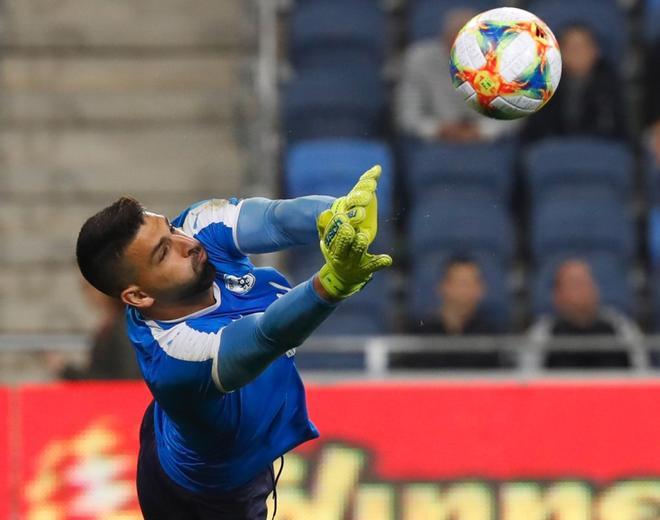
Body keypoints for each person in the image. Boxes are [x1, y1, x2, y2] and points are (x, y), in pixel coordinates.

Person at [75, 167, 391, 519]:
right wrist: (333, 283)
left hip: (182, 435)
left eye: (170, 228)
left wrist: (336, 215)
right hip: (207, 499)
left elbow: (276, 221)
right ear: (138, 295)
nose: (188, 244)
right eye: (163, 253)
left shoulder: (197, 228)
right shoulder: (177, 360)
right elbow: (266, 335)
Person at [396, 8, 510, 143]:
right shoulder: (418, 59)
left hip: (484, 140)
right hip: (434, 141)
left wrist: (481, 130)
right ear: (445, 39)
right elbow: (407, 115)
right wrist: (437, 129)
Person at [391, 256, 509, 370]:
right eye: (462, 283)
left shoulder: (492, 337)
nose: (466, 291)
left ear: (481, 289)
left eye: (472, 283)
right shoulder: (419, 333)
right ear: (444, 286)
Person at [527, 259, 643, 369]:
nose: (583, 290)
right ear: (557, 295)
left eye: (587, 282)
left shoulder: (621, 328)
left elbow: (643, 377)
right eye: (574, 284)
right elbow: (527, 382)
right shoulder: (542, 334)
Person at [522, 23, 626, 143]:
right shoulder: (543, 84)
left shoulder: (611, 84)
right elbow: (536, 132)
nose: (577, 52)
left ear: (596, 51)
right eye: (571, 47)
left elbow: (613, 130)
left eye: (583, 46)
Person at [46, 281, 141, 380]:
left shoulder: (123, 326)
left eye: (89, 288)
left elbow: (123, 375)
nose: (86, 294)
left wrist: (66, 371)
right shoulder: (113, 323)